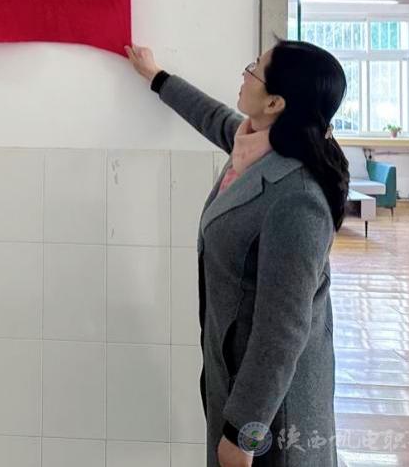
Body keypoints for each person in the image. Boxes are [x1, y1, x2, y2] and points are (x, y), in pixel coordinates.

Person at [126, 40, 347, 467]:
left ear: (276, 103)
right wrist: (156, 76)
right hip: (238, 380)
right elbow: (212, 117)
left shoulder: (298, 197)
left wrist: (243, 433)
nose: (244, 74)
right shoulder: (259, 147)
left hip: (272, 410)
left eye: (255, 69)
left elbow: (282, 331)